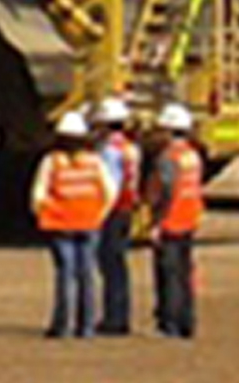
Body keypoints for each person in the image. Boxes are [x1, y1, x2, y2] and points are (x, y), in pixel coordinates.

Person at [29, 111, 114, 338]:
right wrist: (100, 215)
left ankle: (63, 325)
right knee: (87, 274)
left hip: (60, 224)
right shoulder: (94, 161)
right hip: (89, 223)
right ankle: (86, 326)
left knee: (65, 274)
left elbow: (38, 194)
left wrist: (43, 215)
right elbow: (109, 191)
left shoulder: (52, 161)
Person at [148, 101, 208, 341]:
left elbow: (166, 191)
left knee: (170, 275)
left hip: (171, 221)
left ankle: (170, 323)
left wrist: (156, 222)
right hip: (189, 218)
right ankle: (187, 321)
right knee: (185, 274)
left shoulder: (168, 158)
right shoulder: (192, 155)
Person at [92, 93, 140, 337]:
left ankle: (115, 318)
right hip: (127, 209)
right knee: (119, 266)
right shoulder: (131, 148)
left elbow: (109, 185)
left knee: (110, 266)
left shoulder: (108, 151)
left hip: (112, 211)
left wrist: (98, 214)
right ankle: (120, 315)